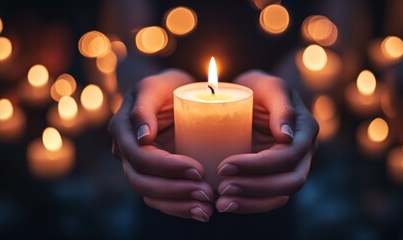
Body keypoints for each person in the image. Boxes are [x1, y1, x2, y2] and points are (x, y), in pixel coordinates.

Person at [107, 0, 319, 238]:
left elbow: (333, 50)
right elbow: (128, 46)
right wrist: (144, 99)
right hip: (166, 190)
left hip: (270, 183)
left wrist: (290, 96)